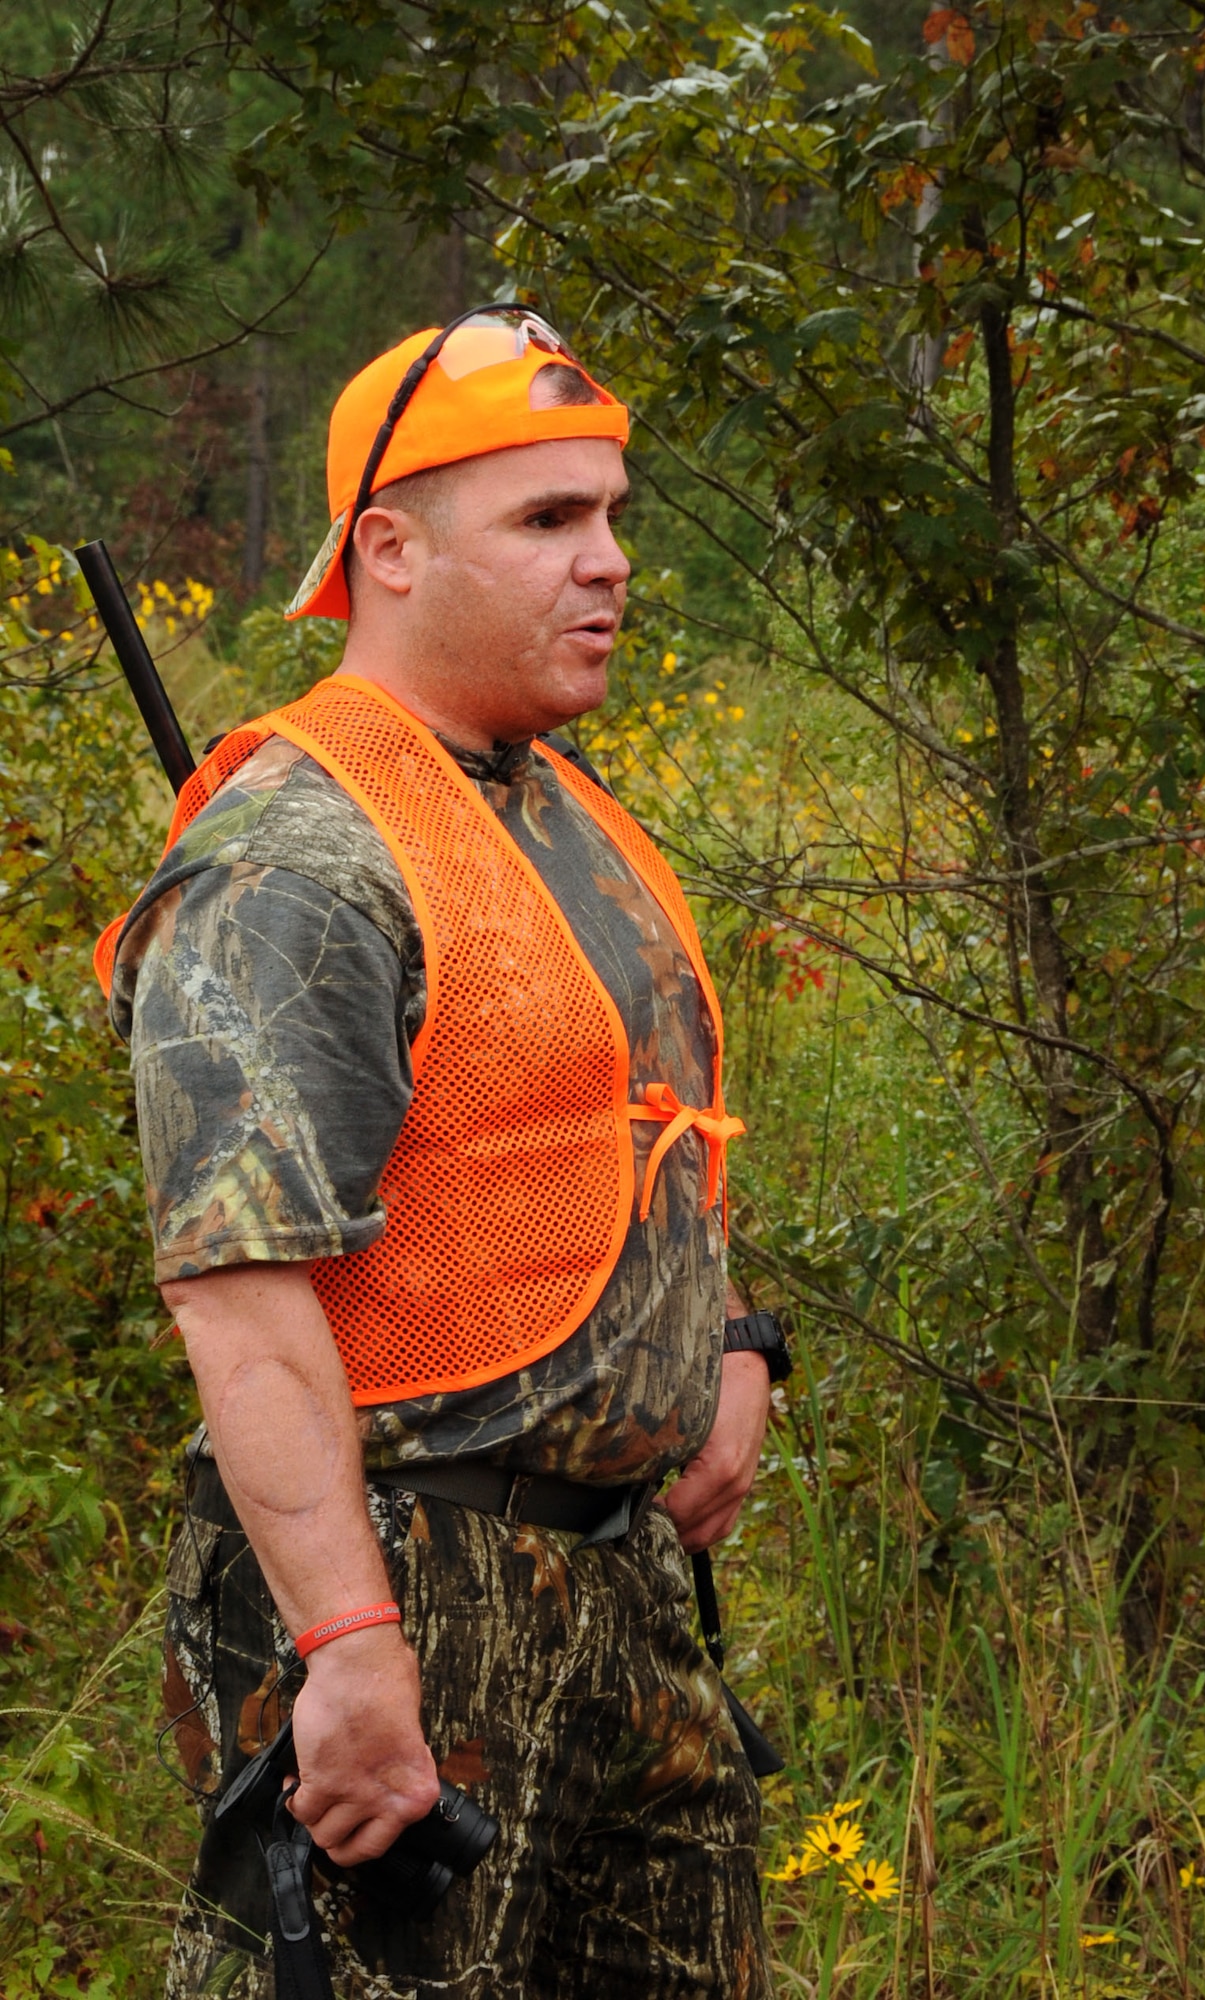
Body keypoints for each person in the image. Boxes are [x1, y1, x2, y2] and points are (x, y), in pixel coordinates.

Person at [98, 307, 792, 1999]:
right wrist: (346, 1647)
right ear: (388, 550)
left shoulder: (562, 809)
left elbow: (622, 1134)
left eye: (615, 514)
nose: (609, 563)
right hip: (405, 1584)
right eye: (549, 523)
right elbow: (242, 1295)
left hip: (623, 1591)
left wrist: (738, 1343)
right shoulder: (296, 858)